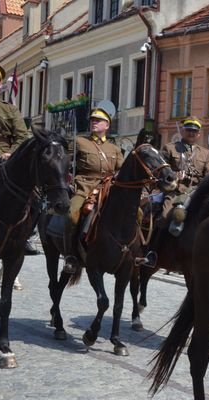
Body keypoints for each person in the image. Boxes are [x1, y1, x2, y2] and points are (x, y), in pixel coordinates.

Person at [0, 61, 32, 290]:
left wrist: (11, 153)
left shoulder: (10, 110)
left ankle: (25, 238)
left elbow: (23, 136)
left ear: (0, 84)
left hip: (6, 159)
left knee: (33, 194)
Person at [141, 116, 209, 267]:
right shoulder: (170, 148)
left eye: (194, 131)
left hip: (196, 192)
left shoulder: (205, 153)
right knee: (165, 217)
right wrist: (174, 175)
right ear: (183, 131)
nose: (191, 133)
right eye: (188, 130)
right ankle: (152, 253)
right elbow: (159, 171)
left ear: (199, 134)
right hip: (175, 190)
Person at [63, 106, 124, 274]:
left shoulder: (115, 149)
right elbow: (64, 164)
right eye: (92, 120)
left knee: (136, 213)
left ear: (107, 125)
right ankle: (71, 255)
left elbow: (122, 171)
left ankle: (130, 252)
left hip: (109, 189)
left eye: (98, 120)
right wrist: (66, 179)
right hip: (84, 186)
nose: (94, 122)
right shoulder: (79, 142)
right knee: (72, 215)